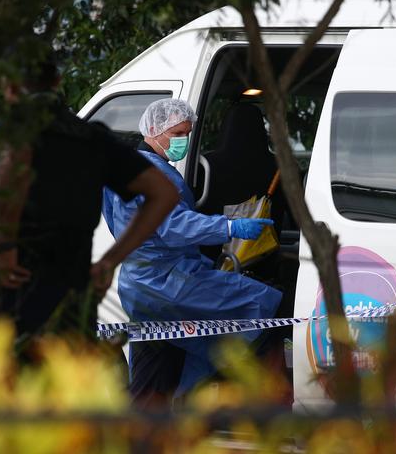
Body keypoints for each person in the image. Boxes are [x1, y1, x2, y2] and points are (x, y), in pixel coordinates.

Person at [0, 56, 179, 348]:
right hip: (73, 298)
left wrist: (5, 245)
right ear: (57, 81)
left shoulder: (15, 133)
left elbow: (12, 170)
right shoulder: (91, 139)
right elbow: (164, 193)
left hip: (13, 292)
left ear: (8, 88)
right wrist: (111, 261)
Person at [102, 98, 283, 408]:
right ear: (155, 130)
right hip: (167, 284)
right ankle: (264, 406)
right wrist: (229, 228)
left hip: (147, 283)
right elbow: (174, 226)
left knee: (158, 367)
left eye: (188, 132)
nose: (184, 140)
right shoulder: (151, 175)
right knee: (262, 309)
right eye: (178, 133)